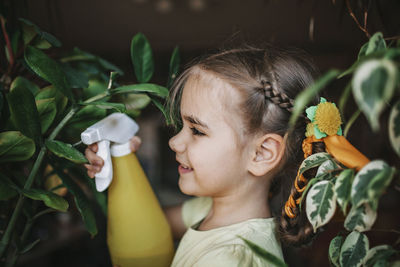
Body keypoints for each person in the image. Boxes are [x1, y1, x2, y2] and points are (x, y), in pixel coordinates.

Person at [84, 45, 322, 266]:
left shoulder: (230, 260)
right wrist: (121, 158)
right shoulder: (208, 210)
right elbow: (148, 229)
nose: (174, 142)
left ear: (261, 154)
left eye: (197, 131)